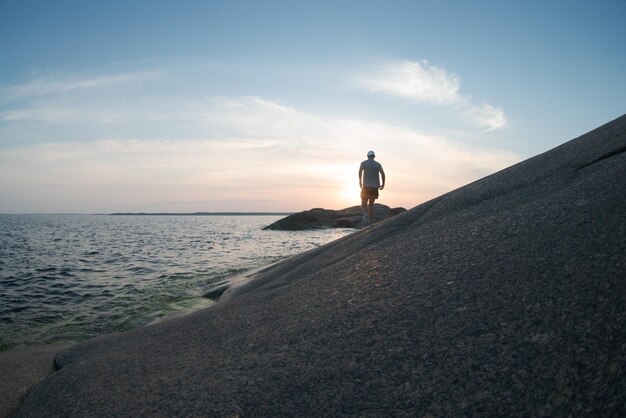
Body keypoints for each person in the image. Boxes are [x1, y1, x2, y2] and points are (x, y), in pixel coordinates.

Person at [359, 150, 385, 226]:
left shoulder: (363, 163)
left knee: (363, 204)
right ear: (374, 156)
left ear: (367, 156)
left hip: (366, 186)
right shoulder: (378, 164)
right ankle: (370, 221)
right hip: (375, 187)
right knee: (371, 205)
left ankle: (365, 214)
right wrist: (383, 184)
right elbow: (383, 174)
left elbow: (360, 172)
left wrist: (360, 182)